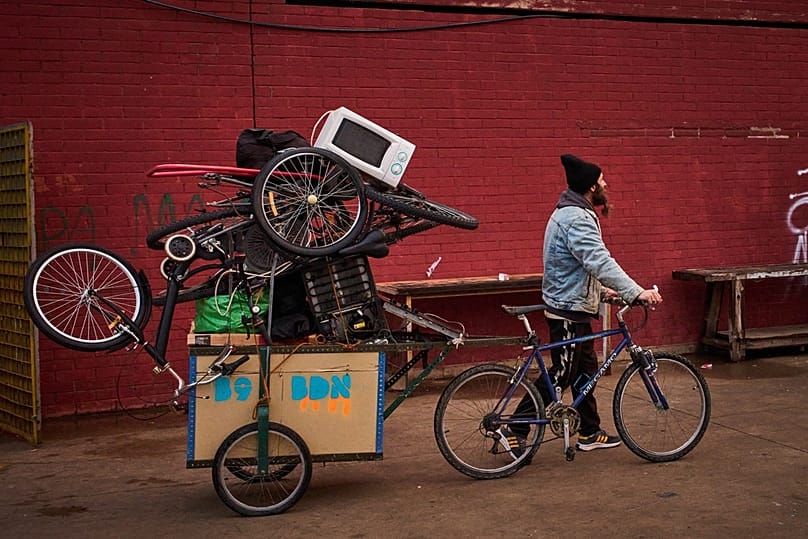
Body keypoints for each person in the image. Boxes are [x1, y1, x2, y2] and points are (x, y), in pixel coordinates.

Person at [504, 153, 662, 455]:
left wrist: (603, 293)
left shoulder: (570, 212)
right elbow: (598, 261)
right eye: (602, 180)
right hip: (566, 310)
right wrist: (634, 291)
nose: (606, 183)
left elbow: (576, 267)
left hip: (574, 304)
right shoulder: (576, 218)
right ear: (591, 187)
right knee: (561, 374)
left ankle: (589, 431)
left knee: (585, 371)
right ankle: (515, 427)